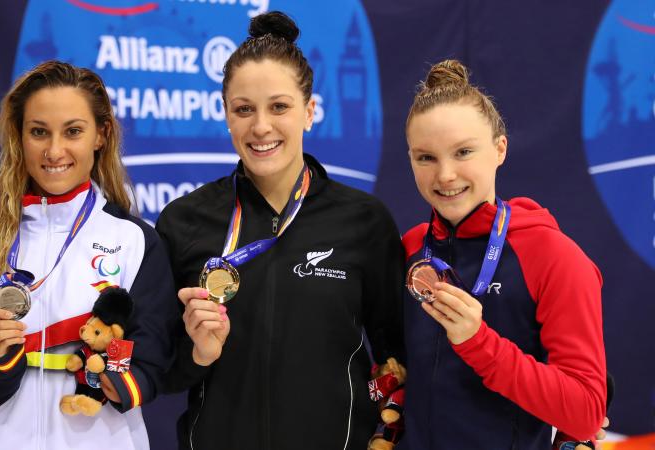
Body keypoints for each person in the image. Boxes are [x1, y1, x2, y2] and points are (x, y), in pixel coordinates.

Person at [155, 11, 405, 450]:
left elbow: (398, 361)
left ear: (309, 111)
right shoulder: (185, 220)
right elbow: (159, 369)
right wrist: (199, 354)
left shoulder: (364, 221)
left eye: (279, 106)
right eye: (244, 109)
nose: (261, 127)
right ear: (226, 115)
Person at [0, 60, 178, 449]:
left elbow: (153, 363)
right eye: (39, 132)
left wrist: (106, 375)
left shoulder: (136, 243)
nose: (54, 151)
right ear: (19, 136)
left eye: (72, 131)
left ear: (100, 136)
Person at [398, 59, 607, 449]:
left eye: (463, 152)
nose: (445, 175)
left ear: (500, 149)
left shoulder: (554, 256)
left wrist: (477, 342)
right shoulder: (410, 249)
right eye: (426, 157)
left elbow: (586, 413)